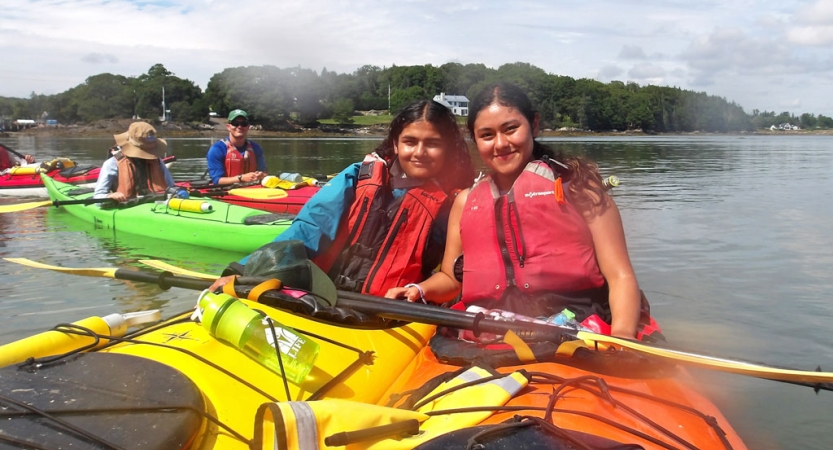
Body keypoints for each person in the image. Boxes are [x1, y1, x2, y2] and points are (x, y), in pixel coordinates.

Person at [385, 83, 642, 338]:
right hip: (489, 327)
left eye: (511, 129)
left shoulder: (580, 190)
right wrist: (418, 290)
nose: (500, 144)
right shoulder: (465, 202)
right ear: (474, 139)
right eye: (487, 135)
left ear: (535, 125)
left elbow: (620, 275)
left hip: (575, 326)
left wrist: (621, 337)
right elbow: (452, 281)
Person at [209, 99, 476, 297]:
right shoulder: (358, 177)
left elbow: (454, 275)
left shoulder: (455, 202)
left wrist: (420, 291)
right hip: (327, 294)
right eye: (410, 141)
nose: (419, 152)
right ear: (396, 143)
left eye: (432, 143)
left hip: (395, 308)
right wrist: (245, 271)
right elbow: (310, 227)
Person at [93, 122, 175, 202]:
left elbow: (171, 187)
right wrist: (109, 196)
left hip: (157, 204)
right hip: (125, 207)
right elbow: (98, 196)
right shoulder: (112, 163)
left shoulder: (157, 161)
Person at [206, 109, 267, 186]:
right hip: (227, 191)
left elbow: (264, 172)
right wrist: (240, 178)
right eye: (235, 123)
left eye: (243, 123)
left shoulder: (256, 148)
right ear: (228, 127)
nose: (240, 126)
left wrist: (261, 174)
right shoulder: (217, 149)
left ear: (248, 127)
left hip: (253, 191)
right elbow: (217, 180)